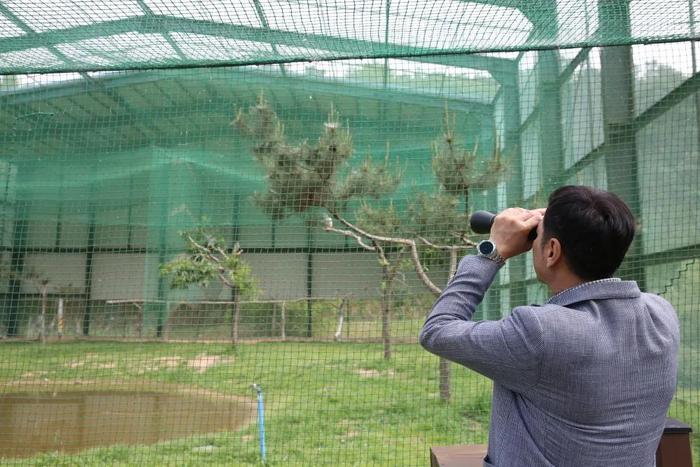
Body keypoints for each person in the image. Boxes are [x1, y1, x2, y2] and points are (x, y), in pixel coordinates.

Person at [419, 185, 679, 467]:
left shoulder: (539, 332)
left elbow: (438, 330)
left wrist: (491, 252)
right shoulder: (661, 314)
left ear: (552, 251)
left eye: (538, 236)